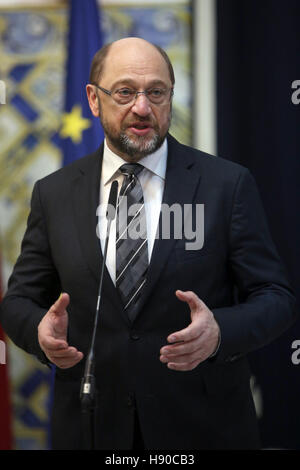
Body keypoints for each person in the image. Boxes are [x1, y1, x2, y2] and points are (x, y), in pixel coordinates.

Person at [0, 37, 296, 450]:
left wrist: (219, 333)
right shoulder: (54, 193)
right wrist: (40, 332)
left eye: (156, 92)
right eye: (125, 92)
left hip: (203, 428)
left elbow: (275, 297)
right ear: (93, 99)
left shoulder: (226, 185)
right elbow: (17, 303)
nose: (142, 108)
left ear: (170, 97)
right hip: (91, 428)